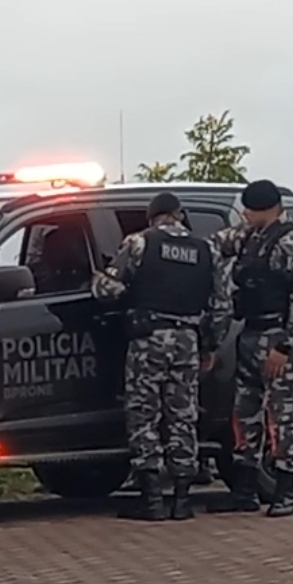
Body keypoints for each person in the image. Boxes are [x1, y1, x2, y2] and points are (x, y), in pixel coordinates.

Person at [93, 191, 232, 521]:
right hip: (187, 341)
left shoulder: (141, 243)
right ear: (180, 215)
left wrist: (97, 277)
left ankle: (152, 499)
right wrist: (209, 346)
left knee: (144, 415)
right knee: (183, 416)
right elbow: (222, 306)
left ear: (152, 216)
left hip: (149, 340)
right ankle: (182, 499)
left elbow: (108, 291)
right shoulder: (207, 249)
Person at [209, 178, 293, 517]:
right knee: (245, 413)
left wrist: (284, 347)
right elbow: (212, 247)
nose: (245, 215)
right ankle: (244, 490)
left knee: (282, 415)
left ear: (269, 209)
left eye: (251, 209)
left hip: (278, 337)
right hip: (251, 334)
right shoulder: (247, 236)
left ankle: (285, 490)